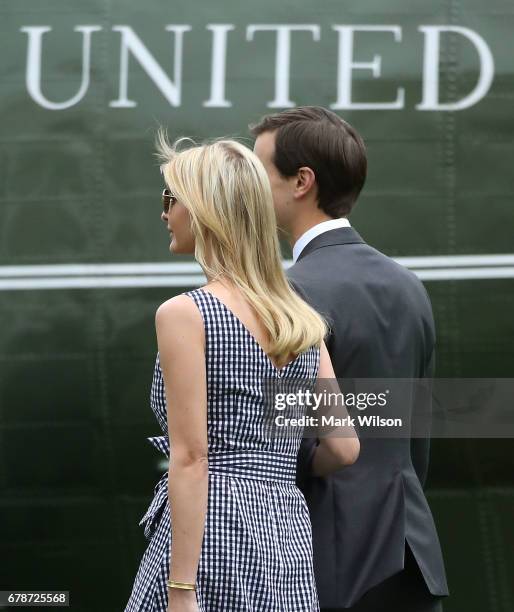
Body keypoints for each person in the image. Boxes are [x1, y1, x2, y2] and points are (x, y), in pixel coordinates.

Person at [124, 133, 360, 612]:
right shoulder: (301, 322)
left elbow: (191, 458)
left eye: (171, 198)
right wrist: (272, 470)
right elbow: (344, 447)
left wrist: (181, 591)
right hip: (285, 542)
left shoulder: (186, 314)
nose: (164, 212)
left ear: (205, 208)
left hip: (209, 537)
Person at [251, 106, 449, 612]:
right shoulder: (409, 286)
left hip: (324, 556)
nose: (248, 190)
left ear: (302, 181)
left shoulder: (288, 294)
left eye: (258, 172)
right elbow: (414, 439)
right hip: (410, 553)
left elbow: (281, 446)